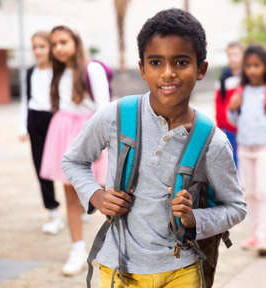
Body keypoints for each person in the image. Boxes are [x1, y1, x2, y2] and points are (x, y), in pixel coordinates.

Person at [62, 9, 246, 287]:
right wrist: (97, 197)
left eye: (181, 62)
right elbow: (73, 161)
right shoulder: (115, 116)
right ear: (142, 68)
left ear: (201, 70)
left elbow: (236, 207)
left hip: (182, 269)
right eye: (156, 62)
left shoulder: (212, 141)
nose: (168, 73)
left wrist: (194, 217)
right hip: (119, 267)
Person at [39, 25, 110, 275]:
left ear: (75, 42)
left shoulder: (92, 69)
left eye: (63, 42)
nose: (58, 48)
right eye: (54, 43)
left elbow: (104, 110)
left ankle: (117, 247)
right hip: (64, 135)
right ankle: (77, 249)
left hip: (89, 135)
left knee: (107, 194)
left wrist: (100, 144)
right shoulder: (57, 73)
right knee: (69, 194)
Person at [228, 44, 266, 257]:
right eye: (248, 66)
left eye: (257, 65)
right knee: (251, 192)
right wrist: (233, 107)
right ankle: (254, 233)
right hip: (245, 147)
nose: (252, 70)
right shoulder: (241, 91)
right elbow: (233, 121)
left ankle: (264, 235)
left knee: (263, 191)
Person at [18, 31, 63, 234]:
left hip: (55, 119)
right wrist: (22, 126)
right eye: (34, 47)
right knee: (41, 168)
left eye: (41, 46)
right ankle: (53, 211)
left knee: (65, 165)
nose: (37, 51)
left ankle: (79, 203)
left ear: (50, 48)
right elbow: (25, 100)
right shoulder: (30, 73)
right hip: (35, 121)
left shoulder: (59, 71)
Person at [214, 41, 244, 166]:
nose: (232, 58)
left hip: (246, 127)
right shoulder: (223, 79)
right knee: (232, 159)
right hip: (229, 128)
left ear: (243, 55)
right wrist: (220, 126)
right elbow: (219, 105)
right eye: (229, 55)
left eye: (235, 54)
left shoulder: (250, 76)